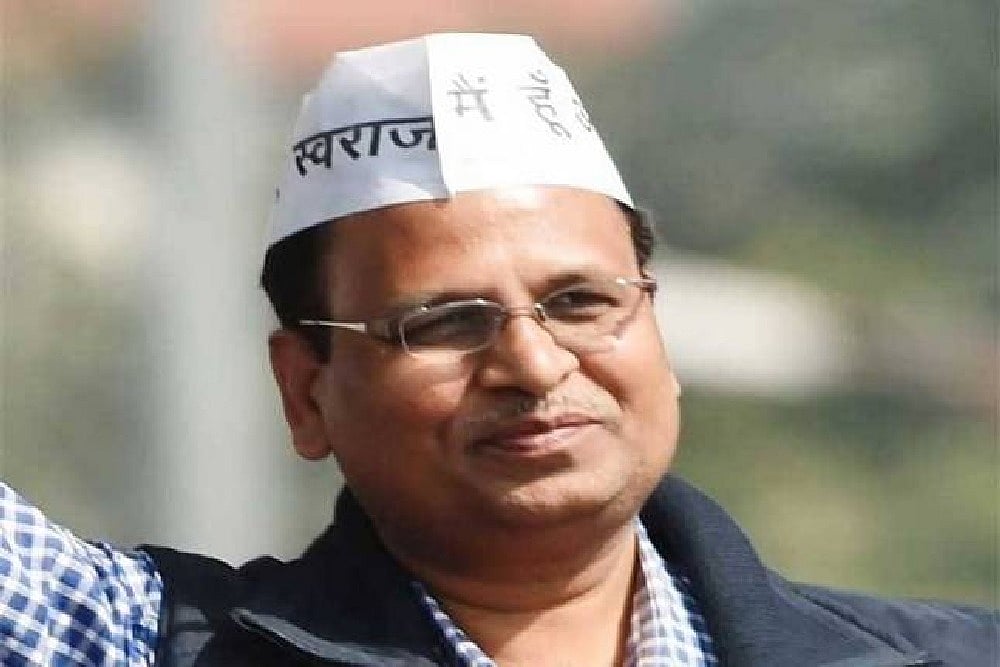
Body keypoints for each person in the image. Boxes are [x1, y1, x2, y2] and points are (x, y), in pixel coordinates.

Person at [1, 33, 996, 667]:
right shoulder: (152, 645)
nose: (533, 363)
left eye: (581, 302)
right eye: (443, 322)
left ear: (656, 332)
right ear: (305, 392)